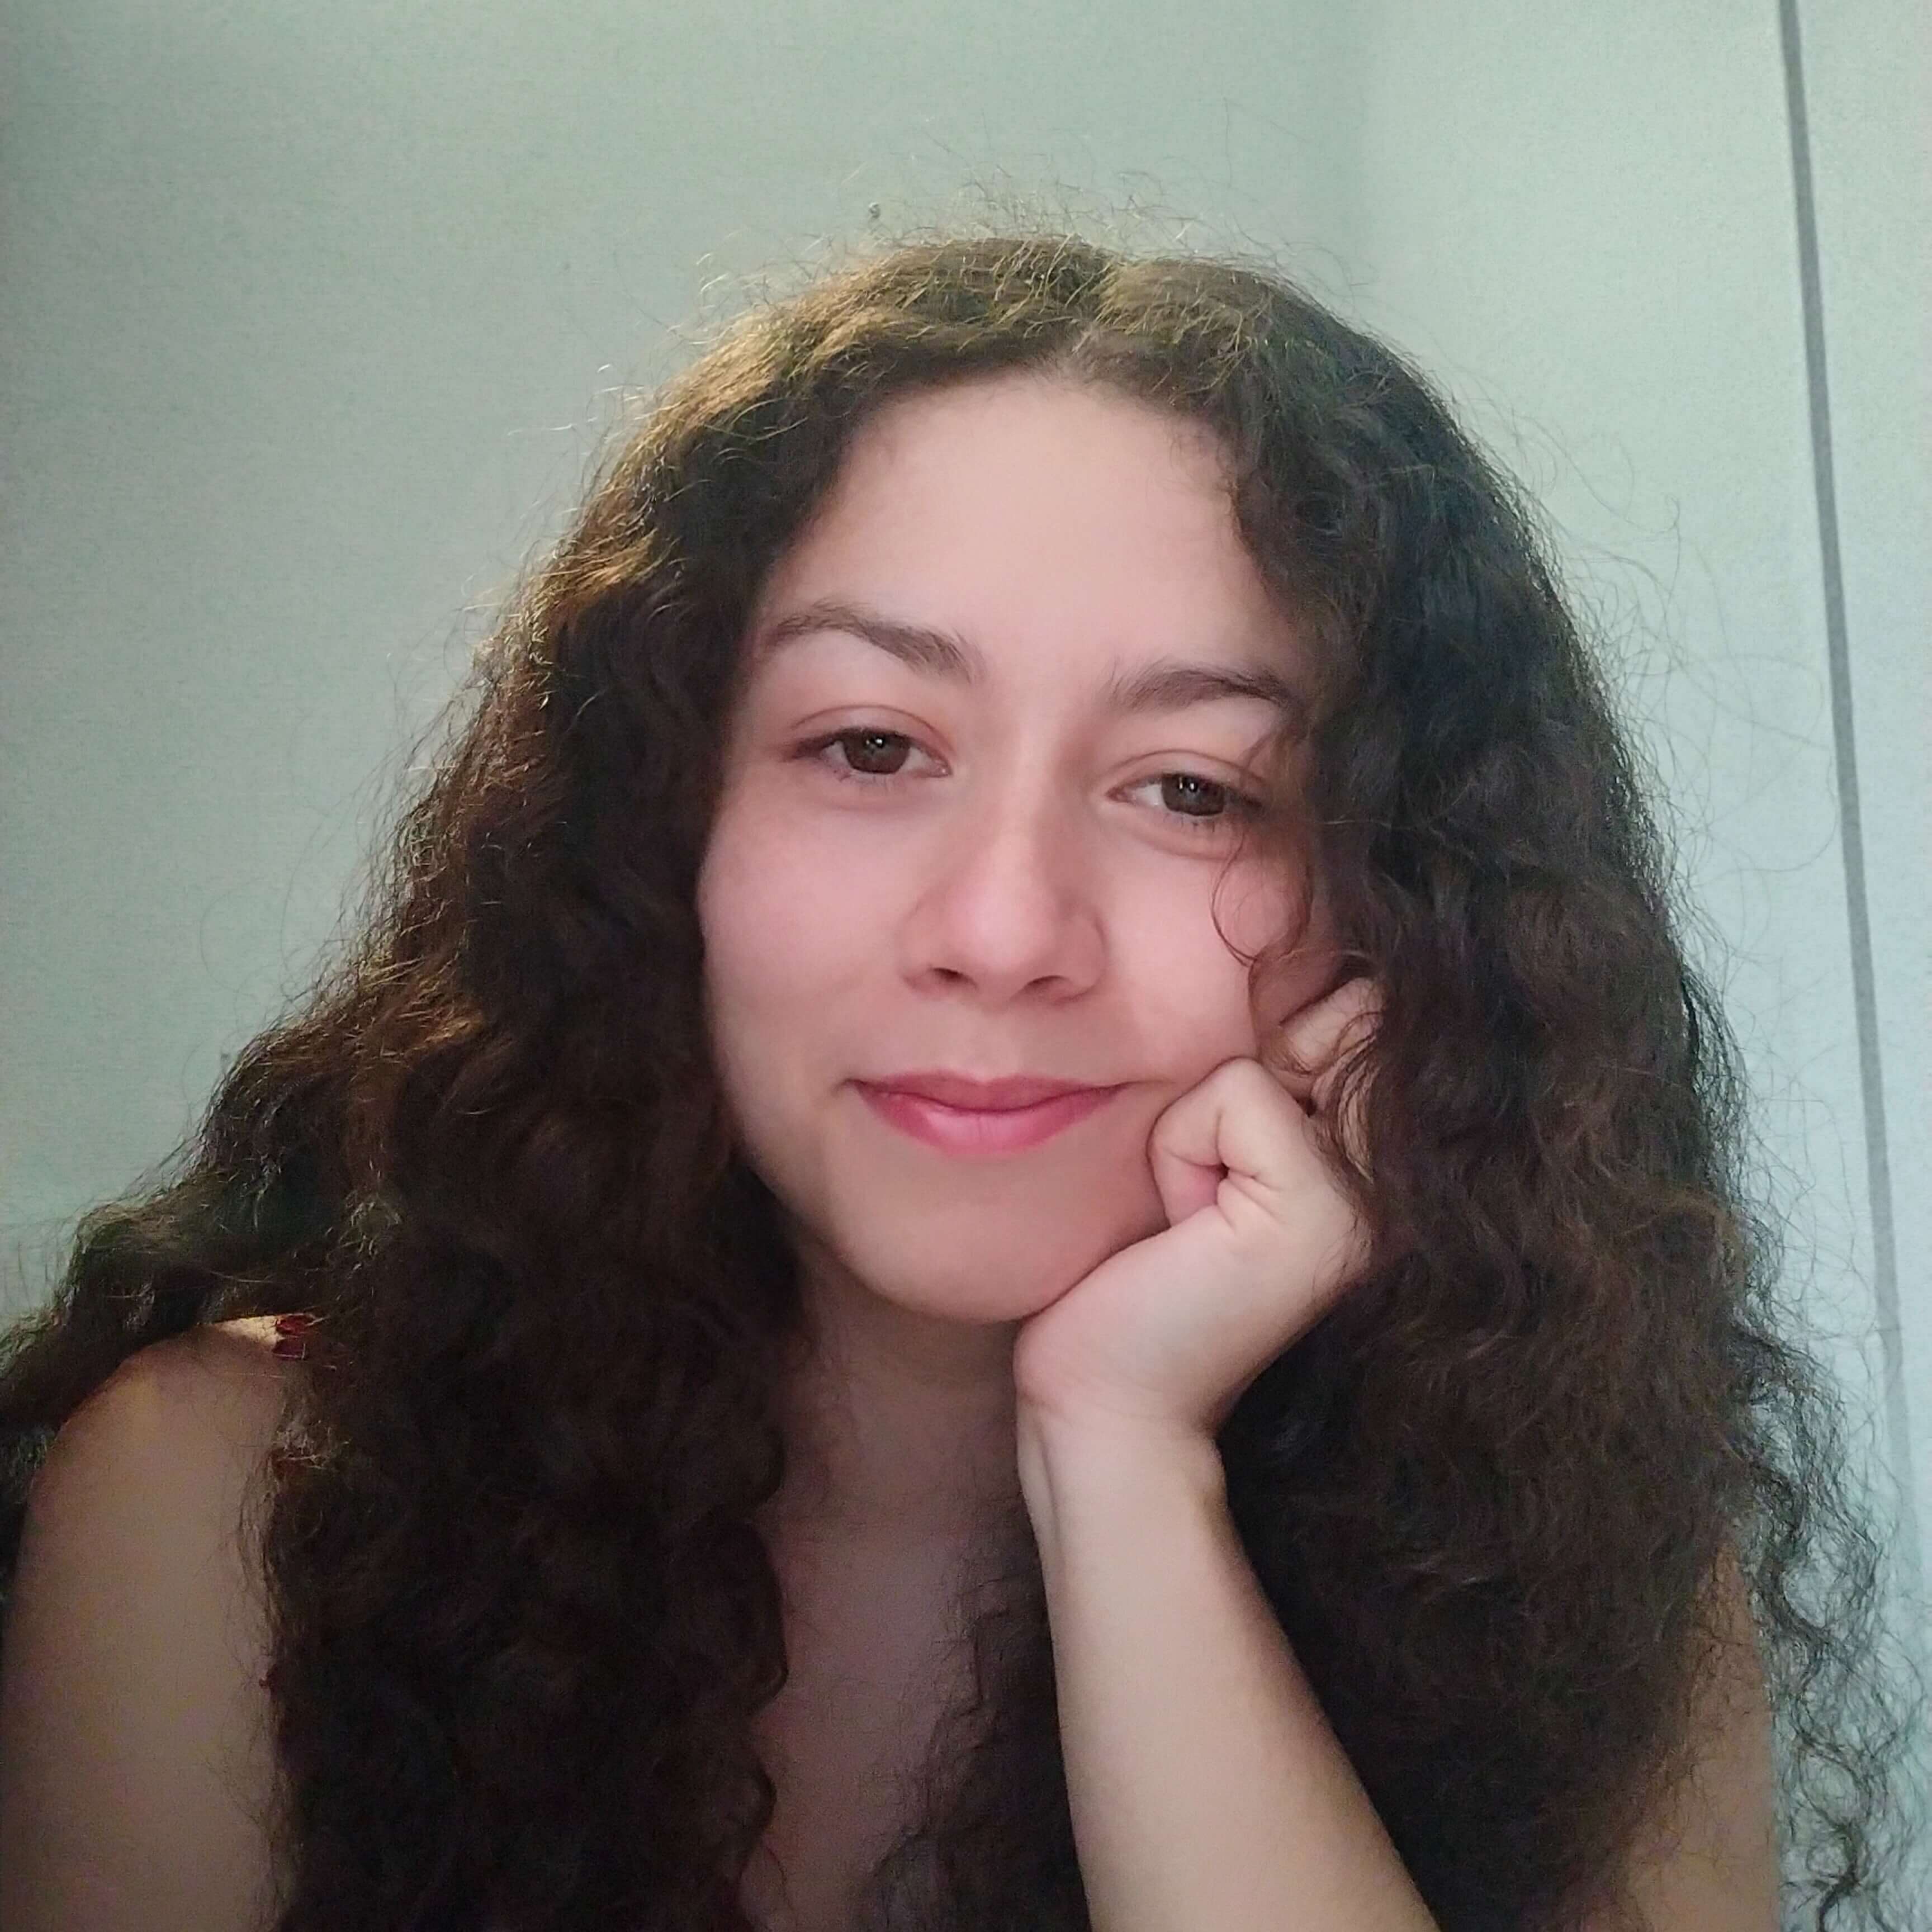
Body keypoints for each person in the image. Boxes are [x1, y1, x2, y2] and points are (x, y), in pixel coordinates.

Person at [0, 232, 1917, 1932]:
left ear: (1403, 916)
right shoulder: (230, 1502)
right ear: (662, 829)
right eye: (868, 747)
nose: (1003, 931)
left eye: (1195, 790)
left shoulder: (1583, 1561)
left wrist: (1127, 1465)